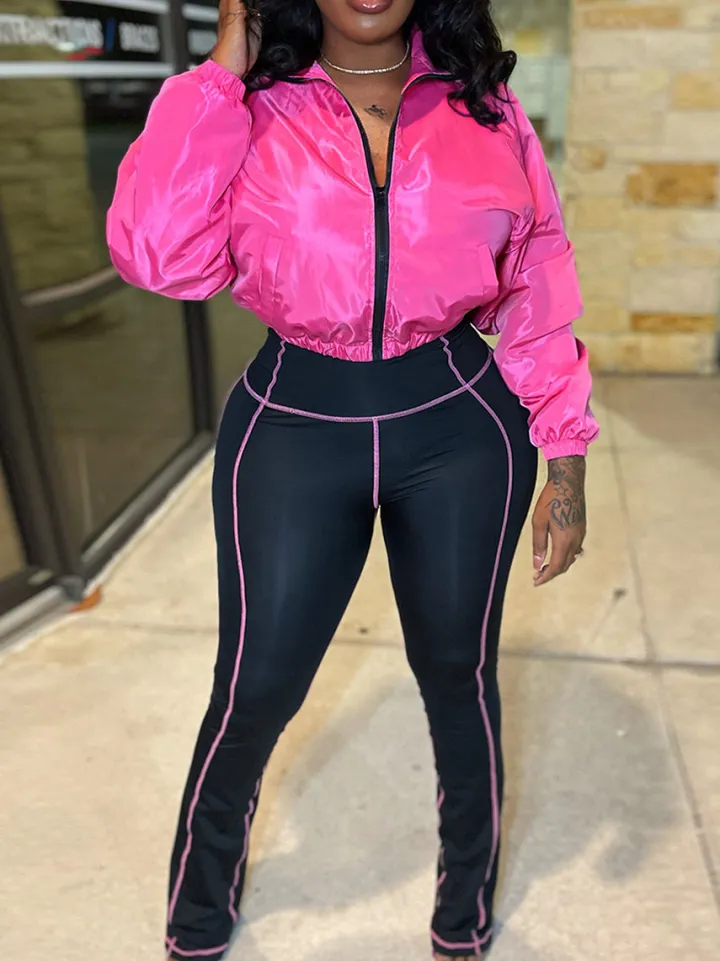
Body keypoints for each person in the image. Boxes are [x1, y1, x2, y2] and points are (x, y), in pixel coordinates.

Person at [107, 0, 599, 957]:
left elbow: (537, 274)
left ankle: (463, 910)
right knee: (254, 686)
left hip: (460, 423)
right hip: (294, 424)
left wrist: (566, 454)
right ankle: (198, 914)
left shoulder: (483, 105)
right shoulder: (249, 102)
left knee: (458, 674)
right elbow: (156, 254)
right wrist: (222, 70)